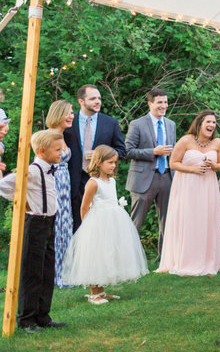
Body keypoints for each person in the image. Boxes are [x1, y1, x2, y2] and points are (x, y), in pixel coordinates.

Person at [60, 145, 149, 304]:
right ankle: (94, 293)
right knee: (95, 256)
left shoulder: (111, 181)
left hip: (112, 223)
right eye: (110, 162)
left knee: (105, 255)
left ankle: (101, 291)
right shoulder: (93, 183)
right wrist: (88, 226)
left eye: (115, 162)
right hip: (97, 224)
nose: (113, 166)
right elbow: (84, 206)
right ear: (99, 162)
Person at [0, 130, 67, 331]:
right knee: (32, 272)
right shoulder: (33, 170)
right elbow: (4, 186)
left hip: (49, 223)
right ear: (42, 151)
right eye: (57, 150)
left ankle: (42, 315)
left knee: (47, 271)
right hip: (35, 224)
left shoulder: (50, 168)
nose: (61, 153)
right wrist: (22, 201)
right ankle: (26, 319)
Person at [157, 110, 220, 276]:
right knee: (188, 220)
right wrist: (193, 169)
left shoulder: (218, 143)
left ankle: (207, 260)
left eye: (214, 123)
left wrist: (215, 166)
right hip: (187, 187)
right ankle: (183, 260)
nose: (211, 125)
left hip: (208, 187)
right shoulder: (186, 140)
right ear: (200, 123)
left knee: (206, 220)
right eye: (208, 122)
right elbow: (173, 163)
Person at [63, 84, 126, 230]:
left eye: (99, 98)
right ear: (81, 101)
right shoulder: (69, 122)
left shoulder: (111, 123)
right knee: (76, 224)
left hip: (100, 180)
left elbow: (122, 151)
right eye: (92, 99)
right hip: (74, 180)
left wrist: (102, 156)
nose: (98, 101)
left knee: (101, 227)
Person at [124, 88, 176, 261]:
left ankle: (164, 259)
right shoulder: (137, 124)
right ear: (150, 104)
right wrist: (153, 151)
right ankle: (128, 259)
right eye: (159, 102)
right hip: (143, 178)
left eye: (165, 102)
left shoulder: (171, 124)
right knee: (136, 221)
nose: (164, 106)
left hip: (167, 177)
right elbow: (128, 151)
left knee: (167, 221)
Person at [45, 100, 75, 287]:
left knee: (65, 227)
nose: (71, 116)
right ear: (58, 114)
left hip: (65, 185)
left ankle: (66, 273)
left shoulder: (64, 136)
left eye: (72, 113)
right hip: (53, 184)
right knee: (56, 229)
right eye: (68, 113)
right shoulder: (48, 137)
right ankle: (54, 276)